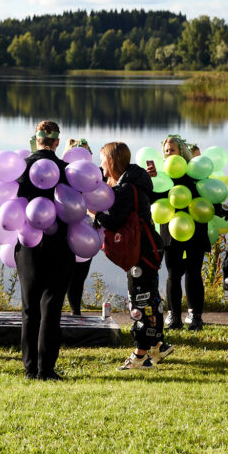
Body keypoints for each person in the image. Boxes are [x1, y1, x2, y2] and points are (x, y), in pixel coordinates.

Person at [93, 142, 174, 370]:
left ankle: (139, 357)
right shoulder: (135, 183)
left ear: (111, 161)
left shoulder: (126, 189)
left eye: (102, 160)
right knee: (150, 300)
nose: (100, 165)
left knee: (139, 301)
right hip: (149, 248)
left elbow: (114, 221)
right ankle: (158, 344)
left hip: (141, 252)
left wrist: (95, 214)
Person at [14, 120, 75, 380]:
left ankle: (30, 370)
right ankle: (46, 369)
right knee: (51, 308)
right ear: (57, 142)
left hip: (28, 246)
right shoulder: (68, 170)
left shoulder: (21, 168)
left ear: (36, 140)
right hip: (59, 244)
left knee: (29, 309)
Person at [146, 134, 213, 331]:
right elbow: (151, 200)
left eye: (172, 150)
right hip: (170, 229)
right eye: (166, 151)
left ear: (182, 152)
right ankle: (173, 316)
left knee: (194, 273)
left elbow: (208, 197)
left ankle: (195, 317)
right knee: (173, 274)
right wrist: (150, 180)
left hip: (195, 228)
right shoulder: (161, 176)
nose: (168, 154)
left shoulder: (196, 174)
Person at [63, 138, 93, 316]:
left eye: (87, 154)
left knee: (80, 277)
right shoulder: (62, 176)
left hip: (87, 232)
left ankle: (76, 312)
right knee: (63, 275)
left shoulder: (94, 176)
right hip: (66, 232)